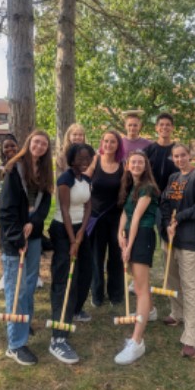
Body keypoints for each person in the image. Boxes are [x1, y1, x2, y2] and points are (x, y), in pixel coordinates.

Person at [0, 130, 53, 366]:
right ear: (29, 142)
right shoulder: (15, 168)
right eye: (36, 142)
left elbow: (44, 205)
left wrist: (34, 223)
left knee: (29, 286)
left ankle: (23, 322)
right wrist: (17, 237)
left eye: (44, 144)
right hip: (15, 239)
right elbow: (6, 209)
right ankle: (15, 345)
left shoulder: (44, 172)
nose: (39, 146)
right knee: (16, 289)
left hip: (34, 235)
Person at [159, 144, 195, 358]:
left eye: (183, 155)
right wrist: (166, 225)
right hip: (170, 238)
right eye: (176, 156)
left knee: (190, 286)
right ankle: (176, 312)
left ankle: (190, 338)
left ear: (190, 156)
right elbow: (164, 202)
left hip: (188, 239)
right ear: (172, 159)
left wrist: (178, 218)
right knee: (172, 280)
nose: (180, 159)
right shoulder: (173, 179)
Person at [46, 143, 95, 364]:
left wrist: (82, 233)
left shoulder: (86, 180)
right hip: (62, 231)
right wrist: (72, 239)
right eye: (81, 156)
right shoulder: (64, 179)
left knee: (85, 273)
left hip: (80, 231)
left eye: (88, 156)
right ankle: (58, 338)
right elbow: (64, 209)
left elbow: (88, 208)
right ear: (71, 158)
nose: (85, 160)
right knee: (64, 281)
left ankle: (74, 310)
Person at [113, 150, 160, 365]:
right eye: (133, 162)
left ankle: (137, 341)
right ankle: (149, 311)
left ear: (146, 165)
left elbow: (137, 218)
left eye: (141, 162)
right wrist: (118, 233)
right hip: (132, 234)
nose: (137, 165)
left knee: (140, 288)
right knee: (141, 283)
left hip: (142, 236)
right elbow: (126, 213)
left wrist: (128, 246)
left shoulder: (147, 187)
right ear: (128, 165)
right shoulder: (131, 185)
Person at [88, 130, 126, 309]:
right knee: (96, 257)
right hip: (96, 218)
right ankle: (96, 294)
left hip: (116, 218)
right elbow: (83, 178)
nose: (109, 145)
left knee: (116, 257)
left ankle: (116, 294)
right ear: (102, 143)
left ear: (118, 145)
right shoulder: (95, 161)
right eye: (106, 141)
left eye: (113, 142)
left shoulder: (123, 165)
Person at [0, 134, 19, 292]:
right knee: (6, 244)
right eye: (6, 147)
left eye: (12, 145)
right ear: (2, 151)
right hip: (5, 211)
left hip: (20, 209)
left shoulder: (23, 166)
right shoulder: (0, 169)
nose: (10, 149)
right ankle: (7, 276)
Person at [143, 113, 180, 193]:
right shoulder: (148, 151)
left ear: (172, 128)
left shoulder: (179, 151)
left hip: (172, 195)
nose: (164, 127)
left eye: (168, 125)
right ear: (156, 128)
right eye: (161, 124)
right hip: (151, 196)